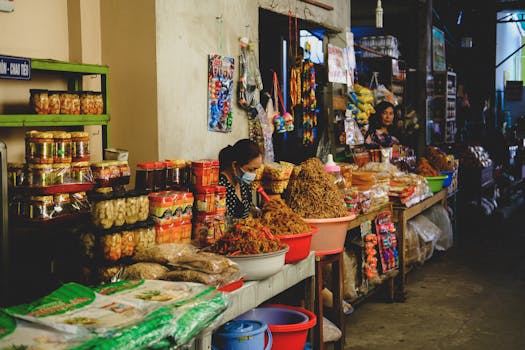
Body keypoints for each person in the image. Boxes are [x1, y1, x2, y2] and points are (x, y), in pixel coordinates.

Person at [218, 139, 263, 219]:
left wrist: (253, 210)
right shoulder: (220, 187)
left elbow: (246, 209)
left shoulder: (243, 184)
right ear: (235, 165)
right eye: (250, 170)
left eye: (256, 169)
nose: (254, 175)